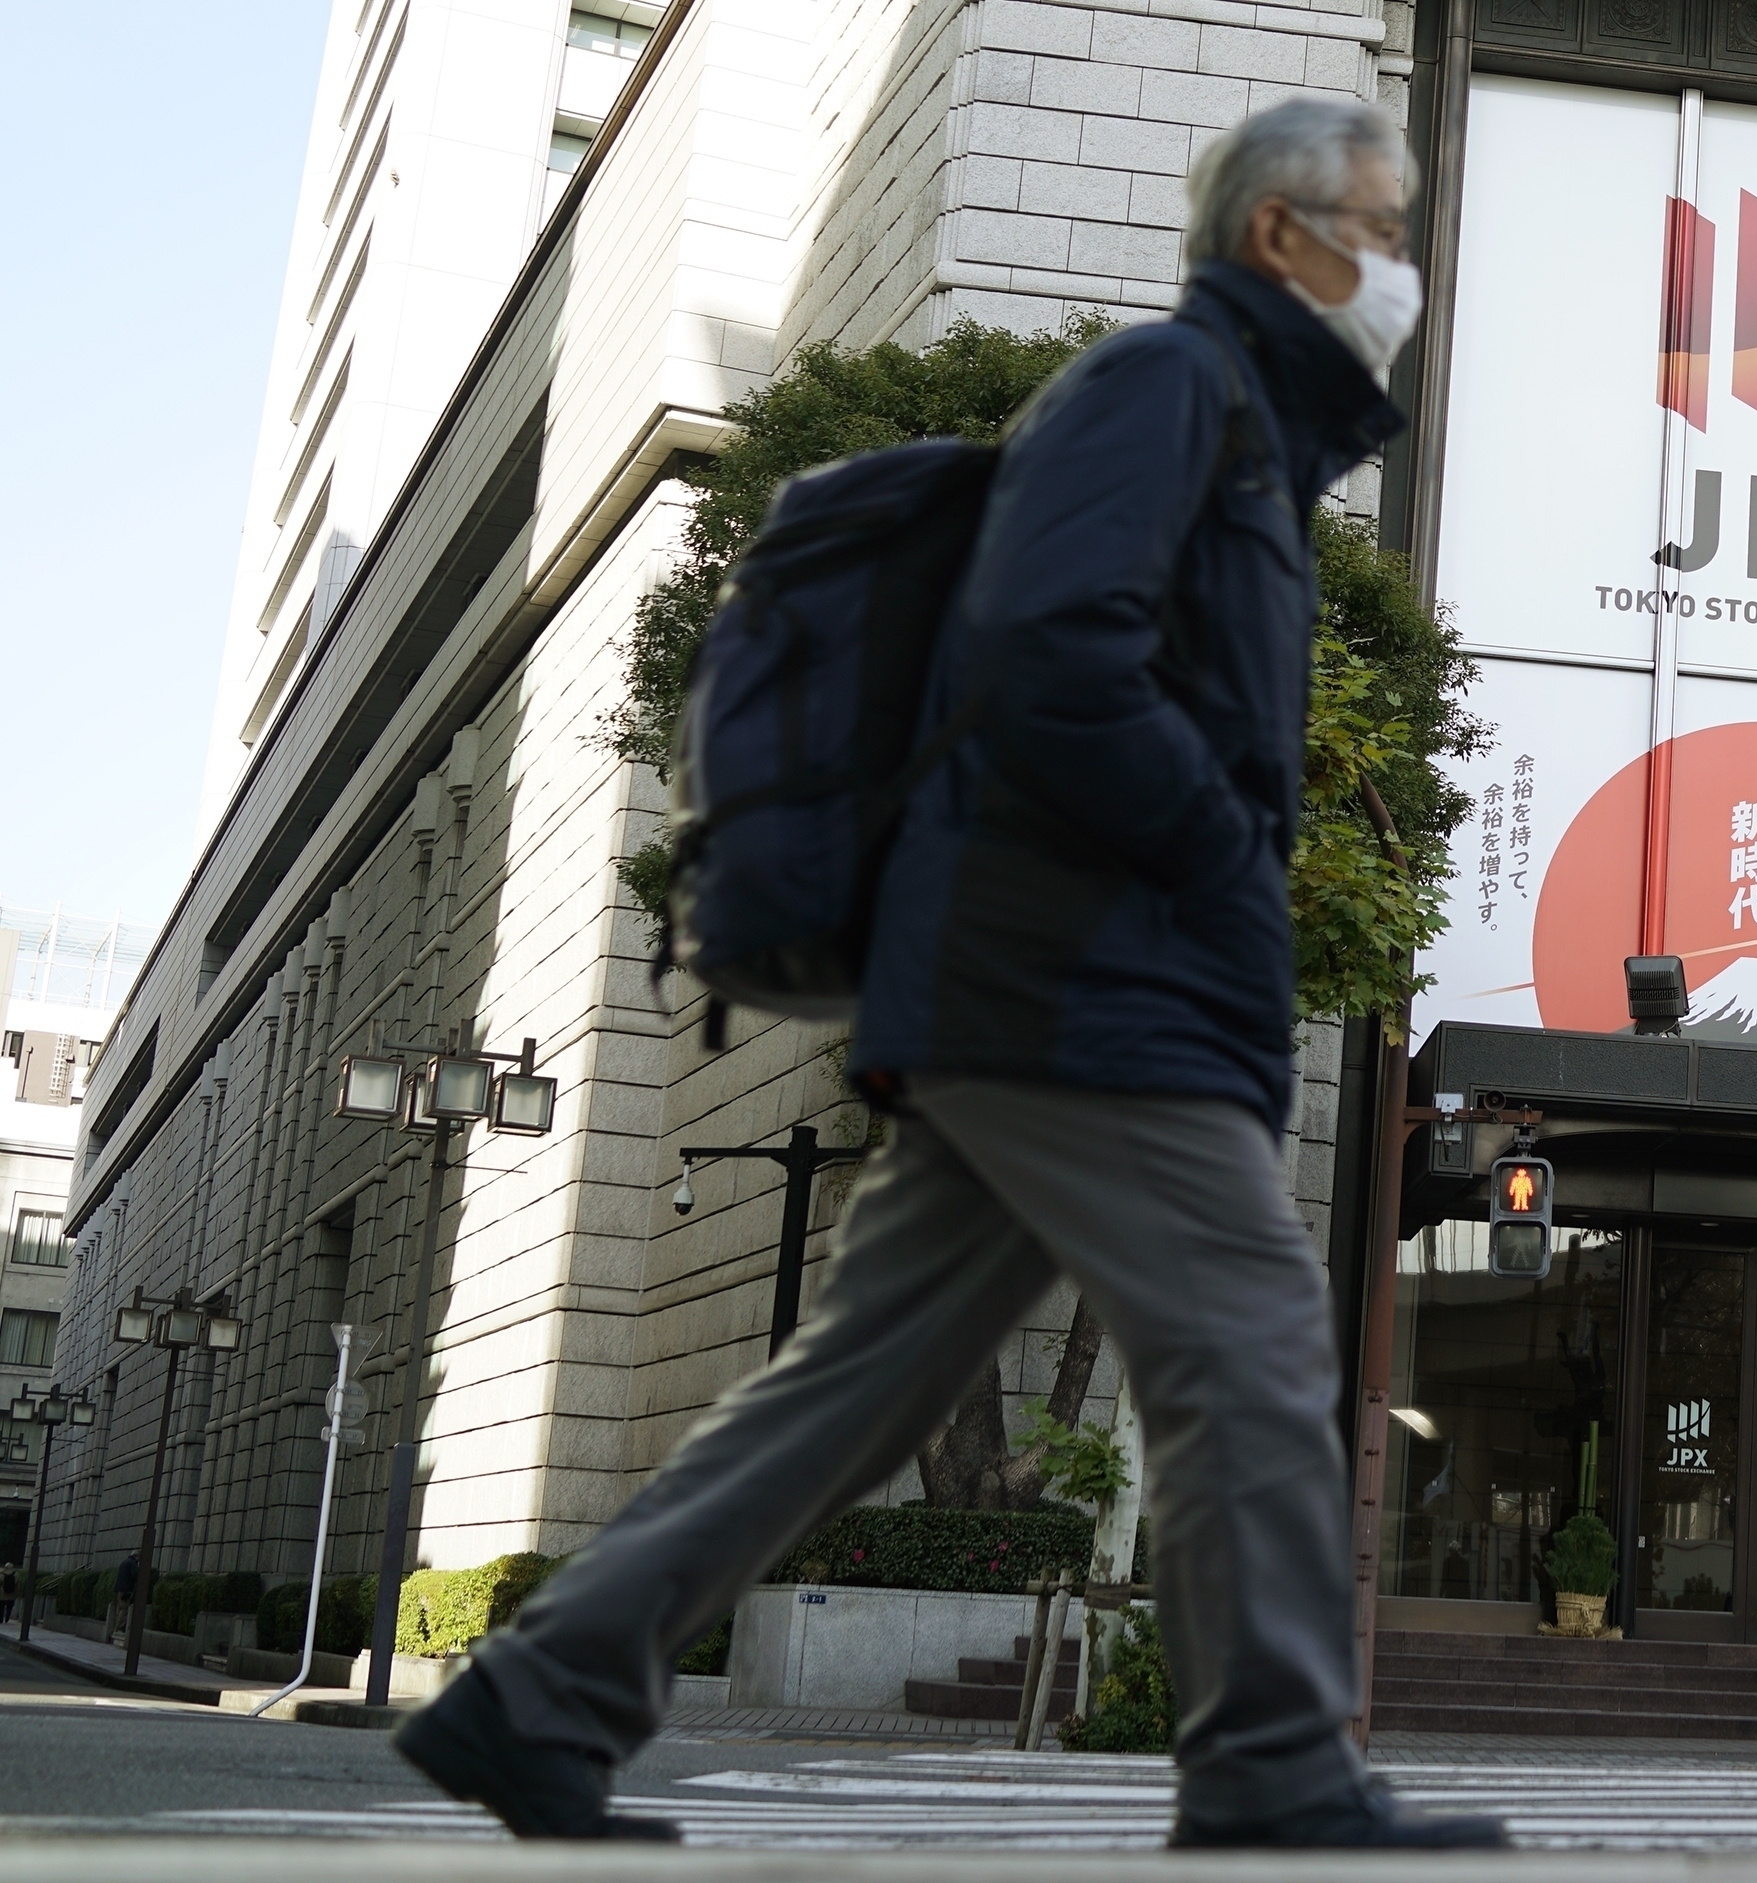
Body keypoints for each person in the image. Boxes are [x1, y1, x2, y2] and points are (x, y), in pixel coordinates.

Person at [393, 97, 1503, 1850]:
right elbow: (1052, 648)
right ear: (1283, 240)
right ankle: (1276, 1764)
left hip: (1043, 978)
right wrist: (1219, 846)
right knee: (1256, 1339)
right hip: (1085, 978)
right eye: (1383, 223)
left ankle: (538, 1694)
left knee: (861, 1383)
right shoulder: (1173, 391)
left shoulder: (1246, 438)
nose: (1405, 267)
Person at [111, 1553, 137, 1636]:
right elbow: (135, 1576)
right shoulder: (132, 1563)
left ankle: (117, 1628)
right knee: (124, 1609)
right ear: (137, 1556)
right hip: (126, 1589)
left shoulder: (124, 1562)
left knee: (119, 1609)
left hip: (120, 1588)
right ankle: (118, 1629)